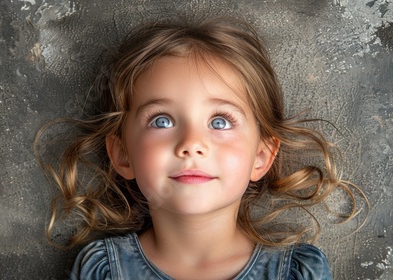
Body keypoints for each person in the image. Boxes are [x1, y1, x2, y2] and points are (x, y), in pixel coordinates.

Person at [34, 16, 365, 280]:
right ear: (122, 154)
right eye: (162, 121)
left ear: (261, 156)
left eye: (220, 121)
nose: (191, 144)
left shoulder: (296, 272)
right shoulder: (102, 269)